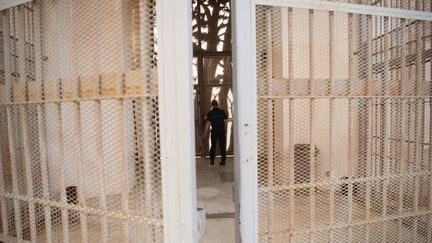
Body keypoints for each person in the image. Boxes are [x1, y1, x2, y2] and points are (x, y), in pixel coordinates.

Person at [204, 100, 228, 165]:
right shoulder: (222, 112)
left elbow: (208, 123)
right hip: (221, 131)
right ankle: (223, 161)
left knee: (213, 145)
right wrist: (223, 127)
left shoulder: (210, 113)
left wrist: (205, 132)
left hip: (214, 131)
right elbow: (226, 121)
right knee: (222, 145)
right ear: (217, 104)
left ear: (212, 105)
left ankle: (212, 161)